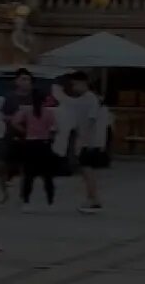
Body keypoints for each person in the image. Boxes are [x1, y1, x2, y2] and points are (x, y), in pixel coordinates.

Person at [52, 72, 107, 214]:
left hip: (88, 141)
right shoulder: (83, 99)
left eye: (75, 84)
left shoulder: (90, 99)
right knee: (85, 170)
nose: (74, 87)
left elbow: (91, 120)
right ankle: (91, 197)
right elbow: (70, 103)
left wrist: (83, 141)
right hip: (84, 140)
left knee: (88, 171)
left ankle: (93, 199)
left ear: (83, 83)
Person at [13, 88, 58, 212]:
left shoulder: (26, 111)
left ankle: (26, 200)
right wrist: (50, 137)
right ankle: (50, 200)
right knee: (48, 175)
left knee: (29, 174)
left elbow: (15, 122)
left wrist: (25, 131)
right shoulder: (49, 113)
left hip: (30, 143)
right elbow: (54, 129)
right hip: (44, 144)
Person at [0, 68, 34, 204]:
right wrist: (15, 118)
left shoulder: (34, 97)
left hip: (29, 137)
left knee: (26, 167)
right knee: (2, 166)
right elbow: (4, 116)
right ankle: (4, 194)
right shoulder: (10, 97)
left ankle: (24, 196)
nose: (26, 82)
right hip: (11, 135)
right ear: (16, 81)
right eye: (23, 79)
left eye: (28, 79)